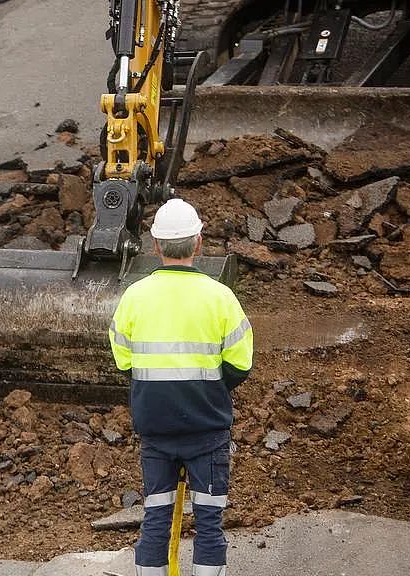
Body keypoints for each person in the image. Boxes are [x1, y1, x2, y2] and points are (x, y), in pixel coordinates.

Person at [108, 198, 254, 576]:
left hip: (155, 429)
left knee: (155, 518)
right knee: (208, 524)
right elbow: (241, 363)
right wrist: (209, 389)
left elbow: (124, 361)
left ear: (156, 246)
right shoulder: (220, 297)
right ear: (199, 243)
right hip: (207, 429)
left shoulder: (134, 297)